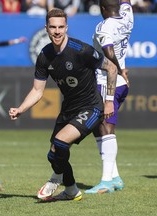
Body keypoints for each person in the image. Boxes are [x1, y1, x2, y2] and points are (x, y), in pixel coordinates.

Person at [9, 8, 118, 201]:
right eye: (53, 27)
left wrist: (109, 100)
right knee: (53, 155)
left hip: (91, 107)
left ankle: (56, 179)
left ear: (66, 27)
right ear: (46, 28)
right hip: (69, 109)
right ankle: (71, 190)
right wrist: (21, 109)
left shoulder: (81, 50)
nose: (57, 31)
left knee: (60, 142)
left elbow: (111, 67)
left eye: (61, 27)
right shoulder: (44, 56)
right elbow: (37, 91)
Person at [84, 0, 134, 194]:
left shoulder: (104, 26)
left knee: (106, 129)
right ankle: (115, 177)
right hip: (119, 84)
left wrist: (120, 70)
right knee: (99, 128)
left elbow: (108, 51)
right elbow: (127, 2)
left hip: (108, 83)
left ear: (102, 9)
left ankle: (106, 181)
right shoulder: (128, 16)